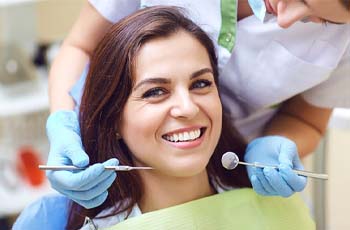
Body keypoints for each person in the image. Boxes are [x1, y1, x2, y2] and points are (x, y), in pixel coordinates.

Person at [15, 7, 314, 229]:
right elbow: (78, 45)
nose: (187, 107)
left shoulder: (279, 211)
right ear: (114, 120)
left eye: (201, 84)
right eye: (155, 91)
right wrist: (63, 122)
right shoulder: (60, 222)